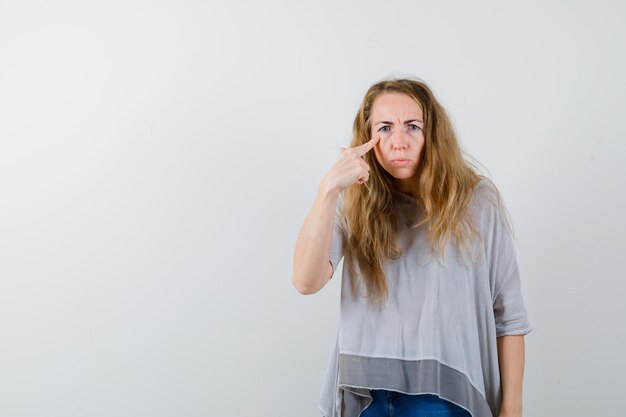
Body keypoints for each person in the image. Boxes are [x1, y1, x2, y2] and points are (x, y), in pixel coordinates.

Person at [292, 78, 532, 417]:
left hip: (444, 398)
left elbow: (509, 317)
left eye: (413, 126)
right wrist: (328, 189)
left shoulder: (477, 201)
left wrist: (513, 408)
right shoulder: (353, 199)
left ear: (432, 134)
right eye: (385, 128)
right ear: (367, 136)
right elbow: (305, 281)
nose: (399, 142)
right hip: (367, 398)